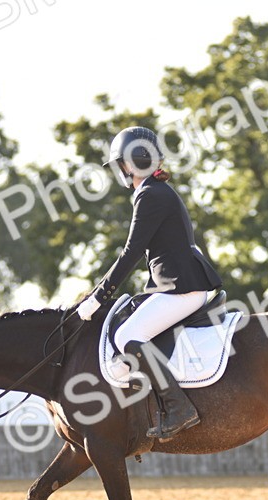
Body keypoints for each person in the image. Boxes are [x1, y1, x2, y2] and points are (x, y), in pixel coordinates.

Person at [76, 126, 223, 440]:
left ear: (129, 164)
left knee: (129, 335)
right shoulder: (156, 191)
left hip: (182, 288)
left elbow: (131, 252)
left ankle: (179, 407)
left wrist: (100, 295)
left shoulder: (150, 195)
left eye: (121, 164)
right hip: (176, 285)